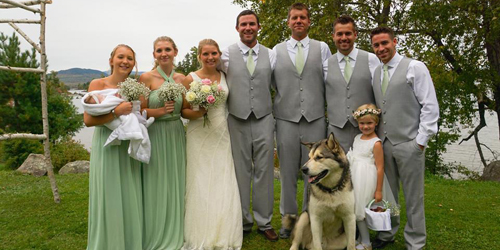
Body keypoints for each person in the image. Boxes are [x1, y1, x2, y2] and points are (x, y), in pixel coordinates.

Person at [370, 26, 439, 250]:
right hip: (385, 144)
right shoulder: (377, 72)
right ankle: (388, 232)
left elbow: (429, 106)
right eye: (376, 45)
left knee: (413, 197)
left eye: (384, 43)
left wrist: (420, 141)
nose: (381, 49)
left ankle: (415, 242)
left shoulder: (415, 67)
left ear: (395, 42)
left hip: (409, 143)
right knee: (389, 196)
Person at [272, 2, 332, 239]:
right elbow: (272, 82)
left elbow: (329, 81)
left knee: (315, 172)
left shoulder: (323, 48)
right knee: (287, 172)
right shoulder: (275, 50)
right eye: (294, 18)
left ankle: (311, 216)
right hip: (286, 119)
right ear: (288, 22)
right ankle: (288, 218)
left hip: (315, 119)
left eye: (303, 17)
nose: (298, 21)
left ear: (309, 22)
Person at [220, 10, 278, 242]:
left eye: (252, 24)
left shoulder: (271, 55)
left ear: (258, 27)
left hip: (264, 117)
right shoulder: (226, 55)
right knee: (240, 172)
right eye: (243, 24)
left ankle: (264, 222)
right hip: (237, 118)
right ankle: (243, 221)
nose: (248, 28)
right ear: (237, 28)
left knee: (264, 171)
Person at [181, 39, 243, 249]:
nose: (210, 58)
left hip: (221, 133)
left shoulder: (224, 76)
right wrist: (199, 112)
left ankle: (223, 230)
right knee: (199, 179)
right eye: (205, 54)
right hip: (199, 133)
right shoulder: (190, 78)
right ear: (199, 56)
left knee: (222, 177)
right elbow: (183, 111)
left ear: (219, 55)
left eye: (214, 53)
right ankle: (200, 232)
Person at [84, 44, 143, 250]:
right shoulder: (97, 83)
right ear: (111, 60)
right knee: (108, 195)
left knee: (129, 194)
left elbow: (139, 115)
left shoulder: (134, 87)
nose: (125, 61)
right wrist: (117, 112)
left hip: (127, 146)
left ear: (134, 63)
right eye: (121, 57)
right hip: (106, 145)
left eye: (129, 58)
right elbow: (88, 121)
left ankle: (130, 243)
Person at [139, 36, 187, 250]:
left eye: (168, 49)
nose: (164, 53)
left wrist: (206, 105)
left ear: (175, 51)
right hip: (155, 133)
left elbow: (185, 109)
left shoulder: (182, 79)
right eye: (159, 50)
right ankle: (155, 230)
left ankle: (178, 228)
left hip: (176, 132)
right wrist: (159, 111)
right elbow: (138, 111)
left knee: (177, 180)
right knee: (156, 181)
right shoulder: (146, 78)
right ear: (154, 54)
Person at [324, 15, 380, 152]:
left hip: (366, 130)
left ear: (355, 35)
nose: (344, 38)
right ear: (333, 36)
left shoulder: (371, 59)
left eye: (348, 33)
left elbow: (382, 93)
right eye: (339, 34)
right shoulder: (325, 65)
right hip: (336, 132)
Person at [347, 104, 396, 250]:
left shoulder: (376, 143)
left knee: (361, 210)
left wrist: (379, 190)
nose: (365, 126)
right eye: (362, 123)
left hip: (366, 179)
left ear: (376, 123)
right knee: (354, 208)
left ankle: (367, 242)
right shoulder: (357, 138)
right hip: (354, 176)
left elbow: (380, 167)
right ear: (357, 123)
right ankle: (360, 238)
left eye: (369, 123)